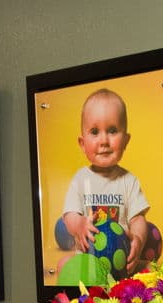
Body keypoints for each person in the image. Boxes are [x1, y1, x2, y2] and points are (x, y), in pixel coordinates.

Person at [62, 88, 149, 270]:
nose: (104, 141)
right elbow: (70, 215)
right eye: (94, 132)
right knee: (63, 265)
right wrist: (80, 225)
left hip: (122, 263)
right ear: (82, 144)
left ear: (126, 141)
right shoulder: (80, 179)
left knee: (152, 268)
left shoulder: (129, 180)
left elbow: (138, 219)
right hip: (89, 261)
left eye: (112, 130)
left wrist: (138, 240)